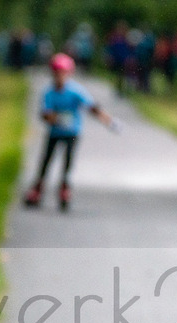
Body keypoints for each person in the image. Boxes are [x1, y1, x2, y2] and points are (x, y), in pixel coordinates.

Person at [22, 53, 113, 211]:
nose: (59, 78)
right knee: (46, 161)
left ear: (68, 74)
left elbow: (91, 107)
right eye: (56, 74)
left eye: (63, 74)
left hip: (72, 133)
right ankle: (38, 189)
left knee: (67, 163)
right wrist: (53, 118)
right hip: (55, 132)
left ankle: (64, 189)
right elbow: (45, 113)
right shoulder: (49, 92)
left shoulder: (75, 91)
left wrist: (107, 120)